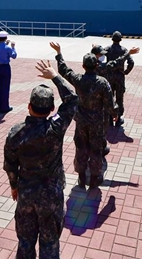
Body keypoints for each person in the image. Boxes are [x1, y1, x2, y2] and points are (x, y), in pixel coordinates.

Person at [3, 60, 78, 259]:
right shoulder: (56, 128)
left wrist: (14, 185)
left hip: (26, 193)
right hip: (51, 195)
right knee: (50, 242)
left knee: (26, 241)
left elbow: (10, 164)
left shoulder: (16, 133)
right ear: (52, 108)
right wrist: (55, 76)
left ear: (29, 106)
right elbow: (72, 99)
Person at [51, 42, 116, 187]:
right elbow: (109, 104)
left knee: (81, 148)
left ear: (83, 66)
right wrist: (114, 114)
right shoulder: (103, 83)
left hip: (81, 121)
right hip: (97, 122)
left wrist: (59, 53)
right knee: (96, 149)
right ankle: (94, 178)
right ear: (97, 66)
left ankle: (81, 176)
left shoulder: (78, 79)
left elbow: (64, 70)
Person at [104, 31, 134, 126]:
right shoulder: (124, 50)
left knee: (109, 97)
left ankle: (109, 117)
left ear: (112, 39)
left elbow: (101, 59)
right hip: (120, 77)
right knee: (119, 98)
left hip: (109, 76)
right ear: (120, 39)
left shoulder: (107, 49)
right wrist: (126, 72)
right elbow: (131, 62)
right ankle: (118, 118)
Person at [0, 31, 17, 113]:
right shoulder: (8, 48)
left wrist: (5, 44)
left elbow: (0, 49)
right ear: (6, 38)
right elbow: (14, 56)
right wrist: (13, 47)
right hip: (6, 67)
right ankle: (5, 106)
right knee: (5, 87)